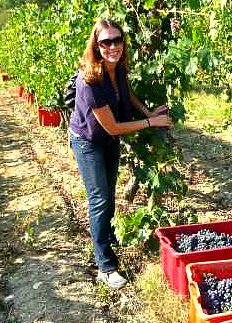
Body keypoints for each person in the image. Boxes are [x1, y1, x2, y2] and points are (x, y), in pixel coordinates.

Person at [69, 18, 171, 289]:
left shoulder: (118, 69)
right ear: (96, 45)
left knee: (109, 191)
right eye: (106, 42)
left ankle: (108, 236)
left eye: (117, 40)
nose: (112, 46)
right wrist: (152, 123)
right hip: (88, 140)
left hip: (108, 139)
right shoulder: (89, 79)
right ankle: (105, 265)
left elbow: (128, 92)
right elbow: (113, 127)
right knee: (99, 198)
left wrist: (147, 111)